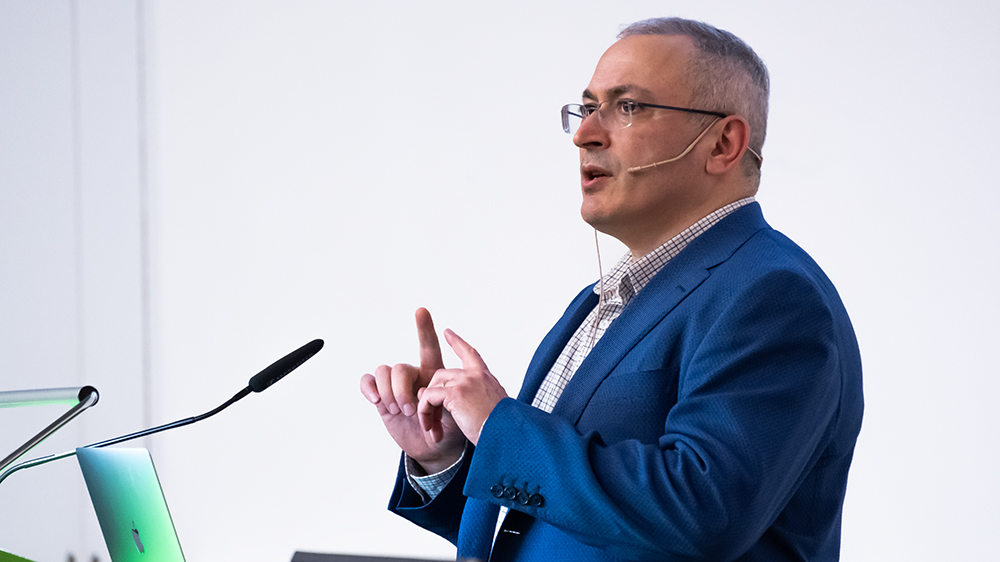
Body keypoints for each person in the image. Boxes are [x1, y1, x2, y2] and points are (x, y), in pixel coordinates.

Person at [360, 16, 863, 562]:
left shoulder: (772, 296)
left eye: (628, 106)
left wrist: (499, 428)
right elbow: (550, 529)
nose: (585, 134)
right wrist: (446, 458)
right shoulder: (600, 299)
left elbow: (702, 511)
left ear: (723, 144)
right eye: (587, 108)